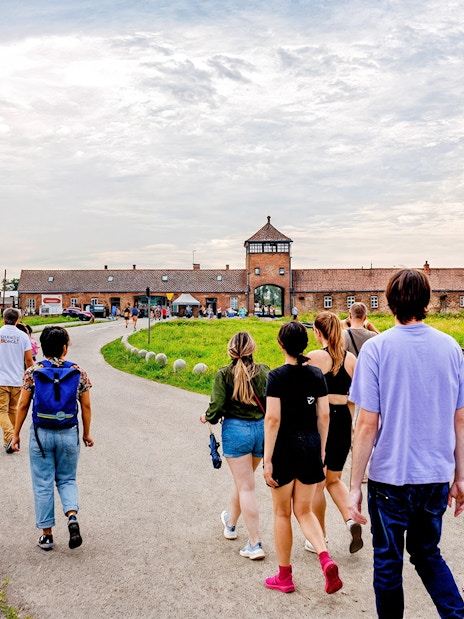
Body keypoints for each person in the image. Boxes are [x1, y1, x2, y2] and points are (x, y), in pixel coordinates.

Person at [349, 268, 464, 618]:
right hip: (434, 474)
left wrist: (354, 484)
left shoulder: (377, 349)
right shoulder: (451, 349)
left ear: (389, 303)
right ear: (428, 302)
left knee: (387, 562)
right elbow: (460, 418)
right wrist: (460, 476)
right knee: (428, 554)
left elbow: (367, 423)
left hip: (389, 477)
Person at [263, 321, 342, 595]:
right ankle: (325, 557)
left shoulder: (275, 377)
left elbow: (272, 419)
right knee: (305, 511)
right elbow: (323, 415)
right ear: (305, 345)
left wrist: (268, 459)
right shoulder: (317, 376)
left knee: (282, 513)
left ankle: (284, 577)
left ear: (280, 344)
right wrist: (320, 449)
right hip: (310, 446)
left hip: (284, 448)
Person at [11, 326, 94, 551]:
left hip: (41, 435)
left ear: (43, 347)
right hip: (68, 432)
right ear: (65, 348)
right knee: (67, 479)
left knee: (42, 483)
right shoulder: (79, 371)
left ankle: (47, 535)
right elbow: (85, 405)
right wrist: (86, 433)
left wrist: (16, 433)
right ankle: (72, 516)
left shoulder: (33, 371)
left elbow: (23, 405)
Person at [200, 332, 269, 561]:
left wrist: (207, 417)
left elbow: (217, 406)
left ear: (230, 351)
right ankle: (230, 524)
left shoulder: (223, 374)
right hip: (260, 431)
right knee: (244, 482)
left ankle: (255, 542)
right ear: (253, 348)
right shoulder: (264, 371)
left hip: (236, 432)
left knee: (246, 486)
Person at [304, 311, 361, 554]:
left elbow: (301, 392)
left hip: (321, 421)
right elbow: (356, 399)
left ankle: (320, 537)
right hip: (343, 422)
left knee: (319, 483)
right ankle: (351, 520)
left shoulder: (313, 357)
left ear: (317, 332)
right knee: (334, 479)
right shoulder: (351, 360)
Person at [0, 308, 34, 453]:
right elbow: (28, 360)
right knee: (13, 410)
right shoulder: (23, 336)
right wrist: (33, 378)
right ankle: (10, 442)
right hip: (17, 379)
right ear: (18, 320)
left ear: (3, 318)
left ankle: (10, 436)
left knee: (1, 410)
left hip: (1, 380)